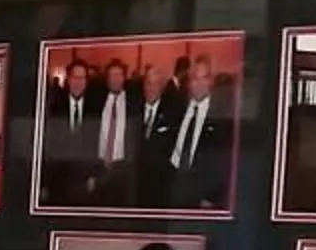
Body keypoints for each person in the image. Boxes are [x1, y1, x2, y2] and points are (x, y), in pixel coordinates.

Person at [161, 60, 232, 210]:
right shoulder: (178, 108)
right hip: (175, 185)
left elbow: (223, 161)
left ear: (211, 81)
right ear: (188, 83)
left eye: (204, 78)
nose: (198, 83)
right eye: (194, 78)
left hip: (202, 195)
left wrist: (211, 197)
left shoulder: (221, 114)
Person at [40, 60, 99, 205]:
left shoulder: (94, 110)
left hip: (83, 182)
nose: (78, 82)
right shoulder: (54, 108)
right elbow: (46, 147)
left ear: (86, 81)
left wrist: (94, 175)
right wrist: (43, 183)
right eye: (75, 77)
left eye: (82, 78)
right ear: (68, 80)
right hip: (57, 180)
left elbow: (96, 144)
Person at [132, 66, 181, 206]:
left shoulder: (172, 113)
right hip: (135, 188)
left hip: (161, 189)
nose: (151, 88)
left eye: (156, 83)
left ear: (162, 87)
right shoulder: (133, 110)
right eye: (148, 83)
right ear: (143, 85)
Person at [90, 59, 136, 205]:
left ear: (124, 77)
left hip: (123, 168)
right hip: (100, 166)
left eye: (118, 75)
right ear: (107, 79)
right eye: (111, 75)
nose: (115, 79)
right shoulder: (96, 101)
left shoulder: (133, 102)